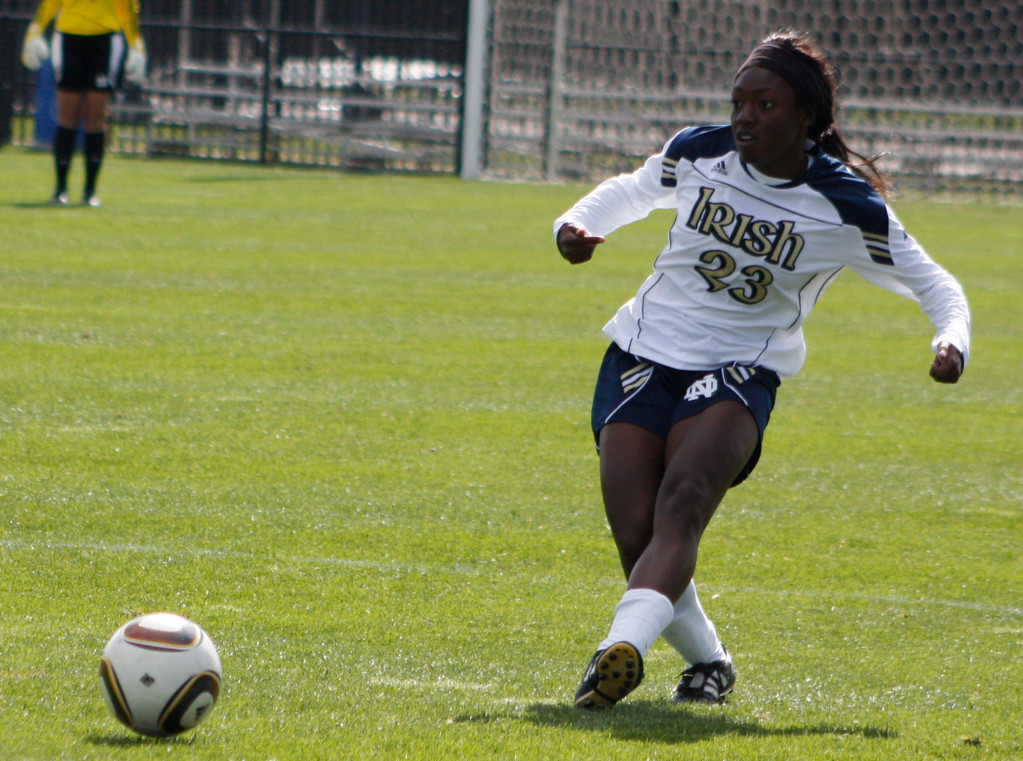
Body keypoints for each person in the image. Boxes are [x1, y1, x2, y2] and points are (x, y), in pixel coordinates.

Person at [554, 30, 970, 710]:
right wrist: (571, 227)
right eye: (738, 101)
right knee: (636, 529)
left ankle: (614, 652)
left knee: (682, 501)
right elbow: (629, 191)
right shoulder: (699, 149)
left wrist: (951, 340)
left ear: (805, 115)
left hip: (741, 369)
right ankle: (708, 662)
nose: (744, 117)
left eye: (764, 104)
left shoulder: (846, 203)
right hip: (642, 352)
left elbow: (936, 285)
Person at [21, 0, 146, 207]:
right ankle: (60, 188)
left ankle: (90, 190)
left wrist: (136, 44)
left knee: (96, 116)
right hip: (69, 37)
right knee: (67, 114)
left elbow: (128, 9)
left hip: (105, 39)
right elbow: (50, 4)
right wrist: (34, 32)